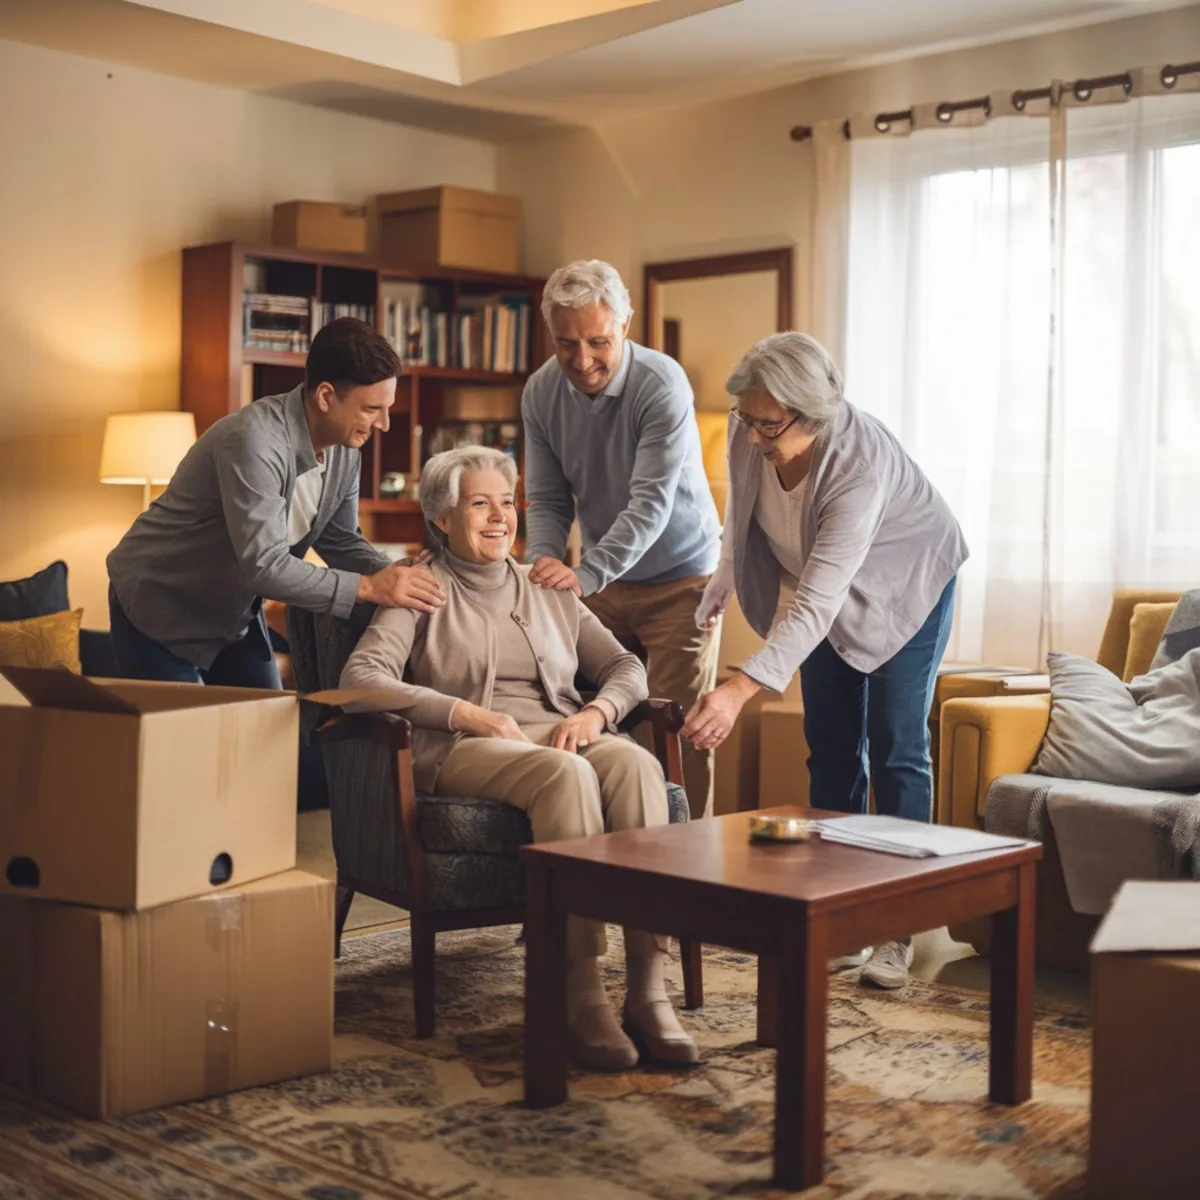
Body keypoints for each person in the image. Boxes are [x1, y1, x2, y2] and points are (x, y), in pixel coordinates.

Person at [339, 446, 699, 1072]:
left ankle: (647, 987)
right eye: (479, 503)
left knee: (637, 764)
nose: (499, 516)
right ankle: (577, 990)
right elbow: (360, 678)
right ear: (442, 518)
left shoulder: (545, 585)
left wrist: (596, 714)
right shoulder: (420, 587)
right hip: (464, 747)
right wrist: (465, 714)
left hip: (558, 729)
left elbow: (624, 667)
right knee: (565, 772)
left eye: (506, 502)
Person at [682, 332, 968, 990]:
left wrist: (736, 690)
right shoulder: (753, 429)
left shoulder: (857, 465)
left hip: (906, 587)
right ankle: (841, 913)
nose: (753, 435)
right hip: (827, 587)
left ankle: (898, 923)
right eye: (748, 418)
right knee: (832, 747)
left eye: (769, 425)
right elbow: (743, 510)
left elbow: (813, 604)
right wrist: (726, 573)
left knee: (895, 746)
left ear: (814, 415)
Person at [107, 318, 444, 685]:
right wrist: (370, 587)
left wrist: (406, 575)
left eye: (387, 408)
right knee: (187, 725)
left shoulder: (345, 450)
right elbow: (266, 566)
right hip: (159, 605)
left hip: (233, 615)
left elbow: (341, 541)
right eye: (371, 409)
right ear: (326, 397)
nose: (384, 424)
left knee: (269, 719)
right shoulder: (253, 441)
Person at [521, 259, 722, 818]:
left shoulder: (661, 384)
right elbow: (548, 499)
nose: (582, 360)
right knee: (588, 713)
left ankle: (686, 855)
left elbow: (650, 503)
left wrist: (584, 574)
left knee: (676, 730)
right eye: (566, 344)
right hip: (604, 580)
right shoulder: (541, 392)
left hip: (682, 580)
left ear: (625, 326)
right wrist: (540, 572)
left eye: (598, 342)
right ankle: (616, 850)